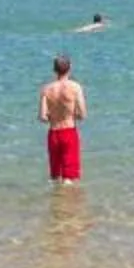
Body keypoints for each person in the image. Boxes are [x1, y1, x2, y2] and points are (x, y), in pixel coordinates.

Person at [41, 54, 88, 183]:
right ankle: (67, 201)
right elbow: (83, 114)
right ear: (70, 68)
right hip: (69, 131)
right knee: (69, 178)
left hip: (53, 133)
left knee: (55, 176)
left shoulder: (46, 89)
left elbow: (42, 116)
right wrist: (71, 115)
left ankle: (56, 201)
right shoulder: (75, 87)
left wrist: (54, 116)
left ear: (54, 70)